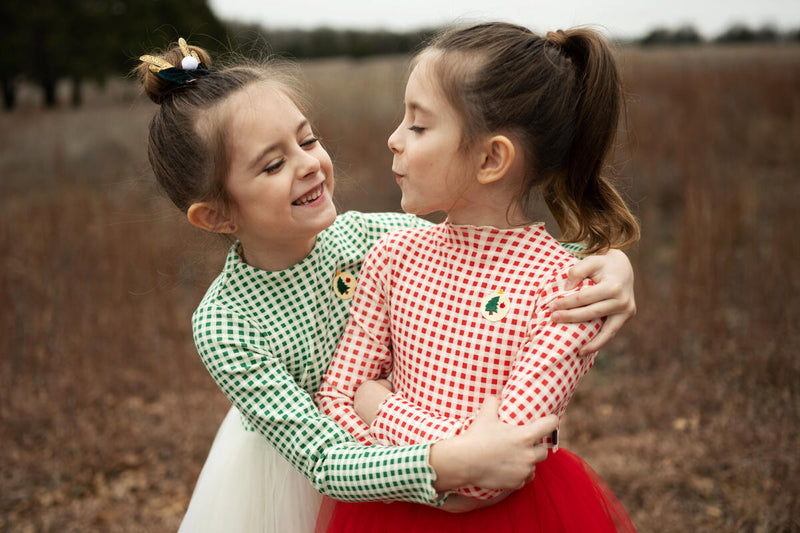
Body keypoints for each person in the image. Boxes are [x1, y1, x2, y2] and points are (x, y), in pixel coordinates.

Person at [136, 36, 636, 533]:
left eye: (307, 140)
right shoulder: (227, 324)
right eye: (273, 164)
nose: (309, 163)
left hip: (395, 445)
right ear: (217, 216)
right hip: (303, 475)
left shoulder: (370, 237)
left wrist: (613, 263)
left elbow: (493, 254)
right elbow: (326, 459)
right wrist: (450, 460)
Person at [316, 22, 639, 532]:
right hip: (385, 511)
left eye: (418, 126)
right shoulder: (392, 255)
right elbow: (337, 398)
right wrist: (459, 450)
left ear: (491, 158)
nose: (393, 139)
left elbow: (495, 473)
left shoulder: (569, 292)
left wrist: (381, 408)